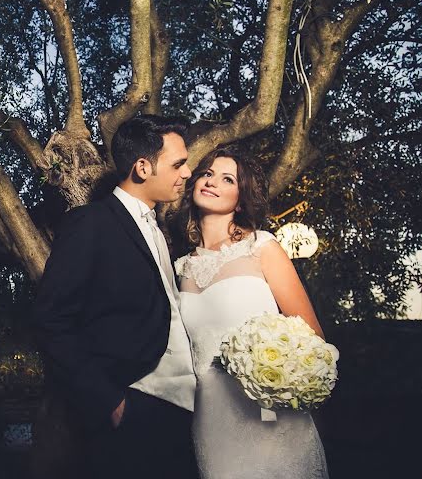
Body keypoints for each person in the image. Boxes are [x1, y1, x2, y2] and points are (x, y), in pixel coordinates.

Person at [33, 115, 197, 479]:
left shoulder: (159, 229)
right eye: (178, 164)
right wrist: (109, 401)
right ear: (142, 167)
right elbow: (50, 319)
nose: (187, 173)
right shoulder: (89, 223)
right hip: (136, 406)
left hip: (187, 409)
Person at [174, 147, 329, 479]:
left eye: (227, 178)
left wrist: (275, 376)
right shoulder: (179, 268)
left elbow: (313, 338)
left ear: (240, 199)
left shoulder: (262, 247)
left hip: (268, 409)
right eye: (206, 174)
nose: (212, 182)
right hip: (210, 416)